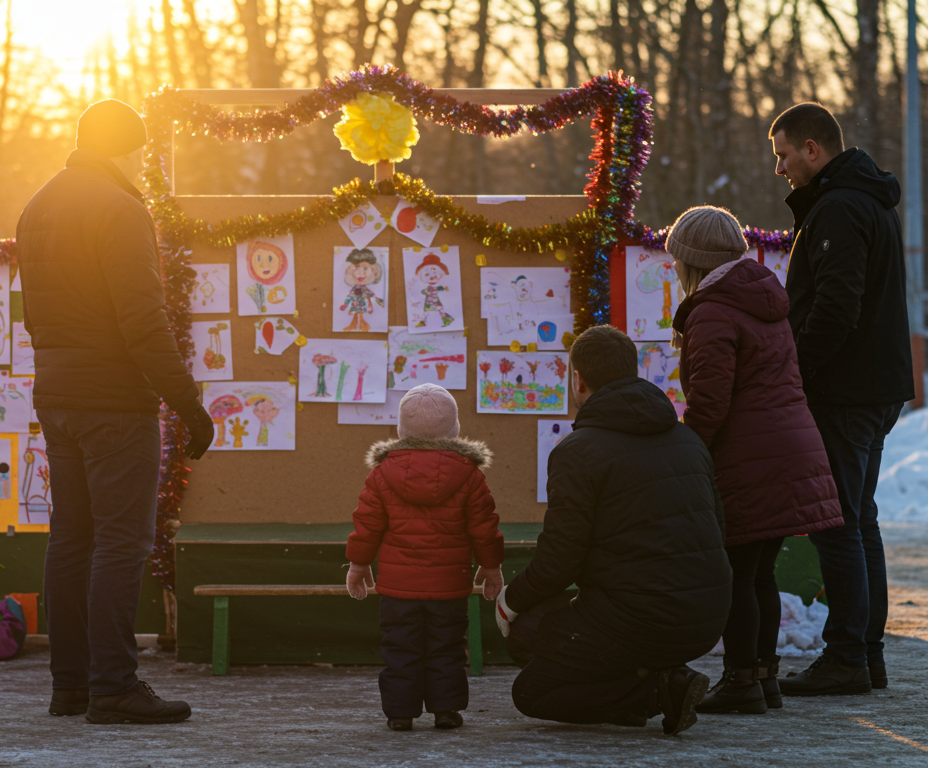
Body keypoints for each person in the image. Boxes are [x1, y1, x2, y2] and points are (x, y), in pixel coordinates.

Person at [16, 99, 215, 724]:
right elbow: (142, 321)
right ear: (127, 148)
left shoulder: (38, 205)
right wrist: (189, 403)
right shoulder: (120, 208)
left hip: (58, 396)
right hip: (114, 404)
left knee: (71, 538)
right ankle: (114, 687)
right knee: (121, 544)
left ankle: (71, 684)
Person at [496, 325, 732, 734]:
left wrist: (508, 602)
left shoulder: (576, 451)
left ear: (578, 380)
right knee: (565, 627)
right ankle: (655, 679)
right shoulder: (688, 439)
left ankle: (658, 691)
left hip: (638, 619)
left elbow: (560, 561)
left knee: (530, 682)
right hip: (708, 618)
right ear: (634, 372)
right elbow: (718, 527)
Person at [666, 205, 843, 713]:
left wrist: (683, 449)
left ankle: (742, 681)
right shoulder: (764, 300)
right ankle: (763, 677)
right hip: (787, 450)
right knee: (759, 572)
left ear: (692, 262)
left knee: (736, 575)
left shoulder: (714, 310)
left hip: (750, 458)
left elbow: (711, 402)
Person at [768, 103, 914, 696]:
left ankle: (848, 656)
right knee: (861, 521)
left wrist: (791, 376)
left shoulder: (839, 208)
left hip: (846, 393)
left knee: (838, 524)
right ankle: (865, 653)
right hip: (875, 389)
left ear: (812, 148)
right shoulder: (865, 201)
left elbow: (835, 308)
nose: (779, 168)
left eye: (782, 154)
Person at [344, 383, 505, 732]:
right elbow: (484, 527)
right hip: (449, 587)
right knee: (446, 649)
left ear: (402, 429)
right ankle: (446, 712)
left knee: (400, 649)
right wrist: (491, 568)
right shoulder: (469, 475)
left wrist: (358, 564)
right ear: (454, 429)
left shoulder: (382, 473)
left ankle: (400, 714)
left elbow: (367, 524)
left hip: (397, 589)